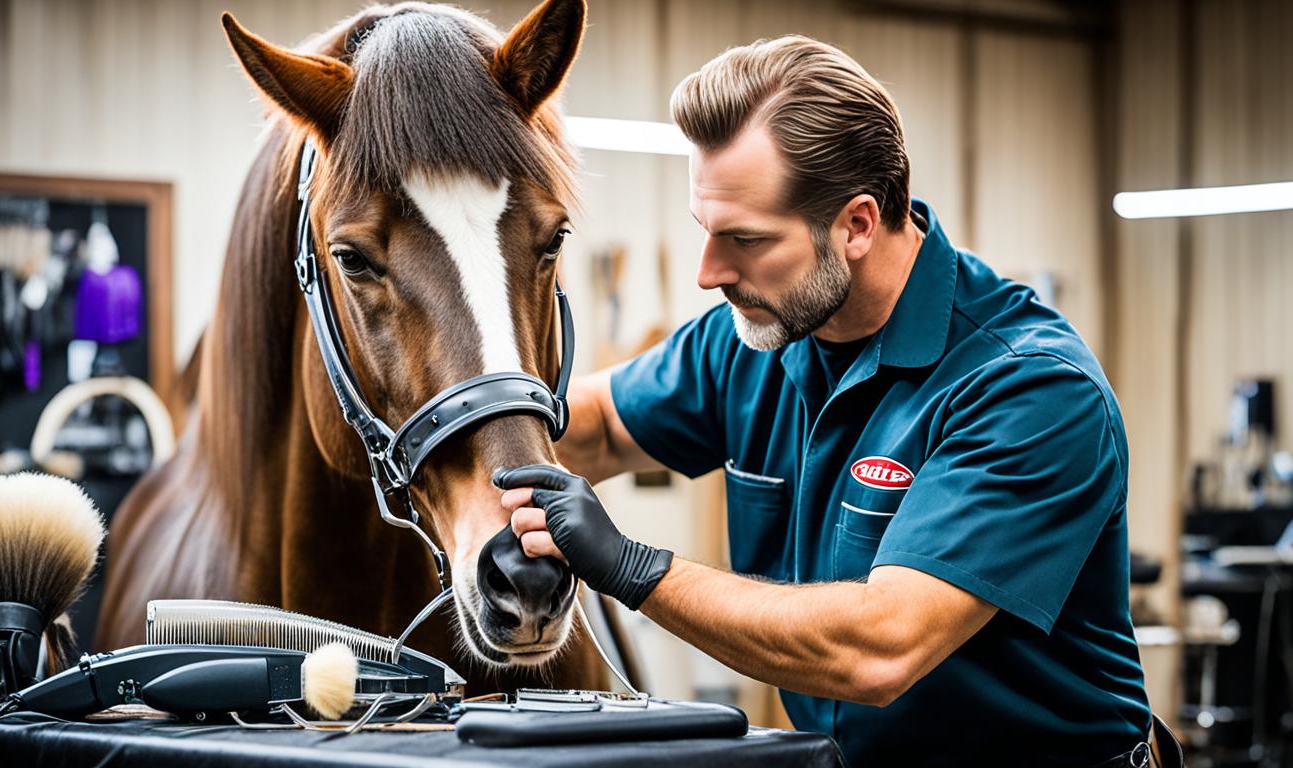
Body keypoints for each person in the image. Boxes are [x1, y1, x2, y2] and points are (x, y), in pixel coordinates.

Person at [493, 35, 1157, 766]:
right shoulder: (755, 336)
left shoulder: (1028, 388)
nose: (709, 273)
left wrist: (633, 567)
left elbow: (881, 648)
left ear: (858, 225)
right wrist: (459, 419)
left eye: (746, 239)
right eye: (705, 231)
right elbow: (602, 425)